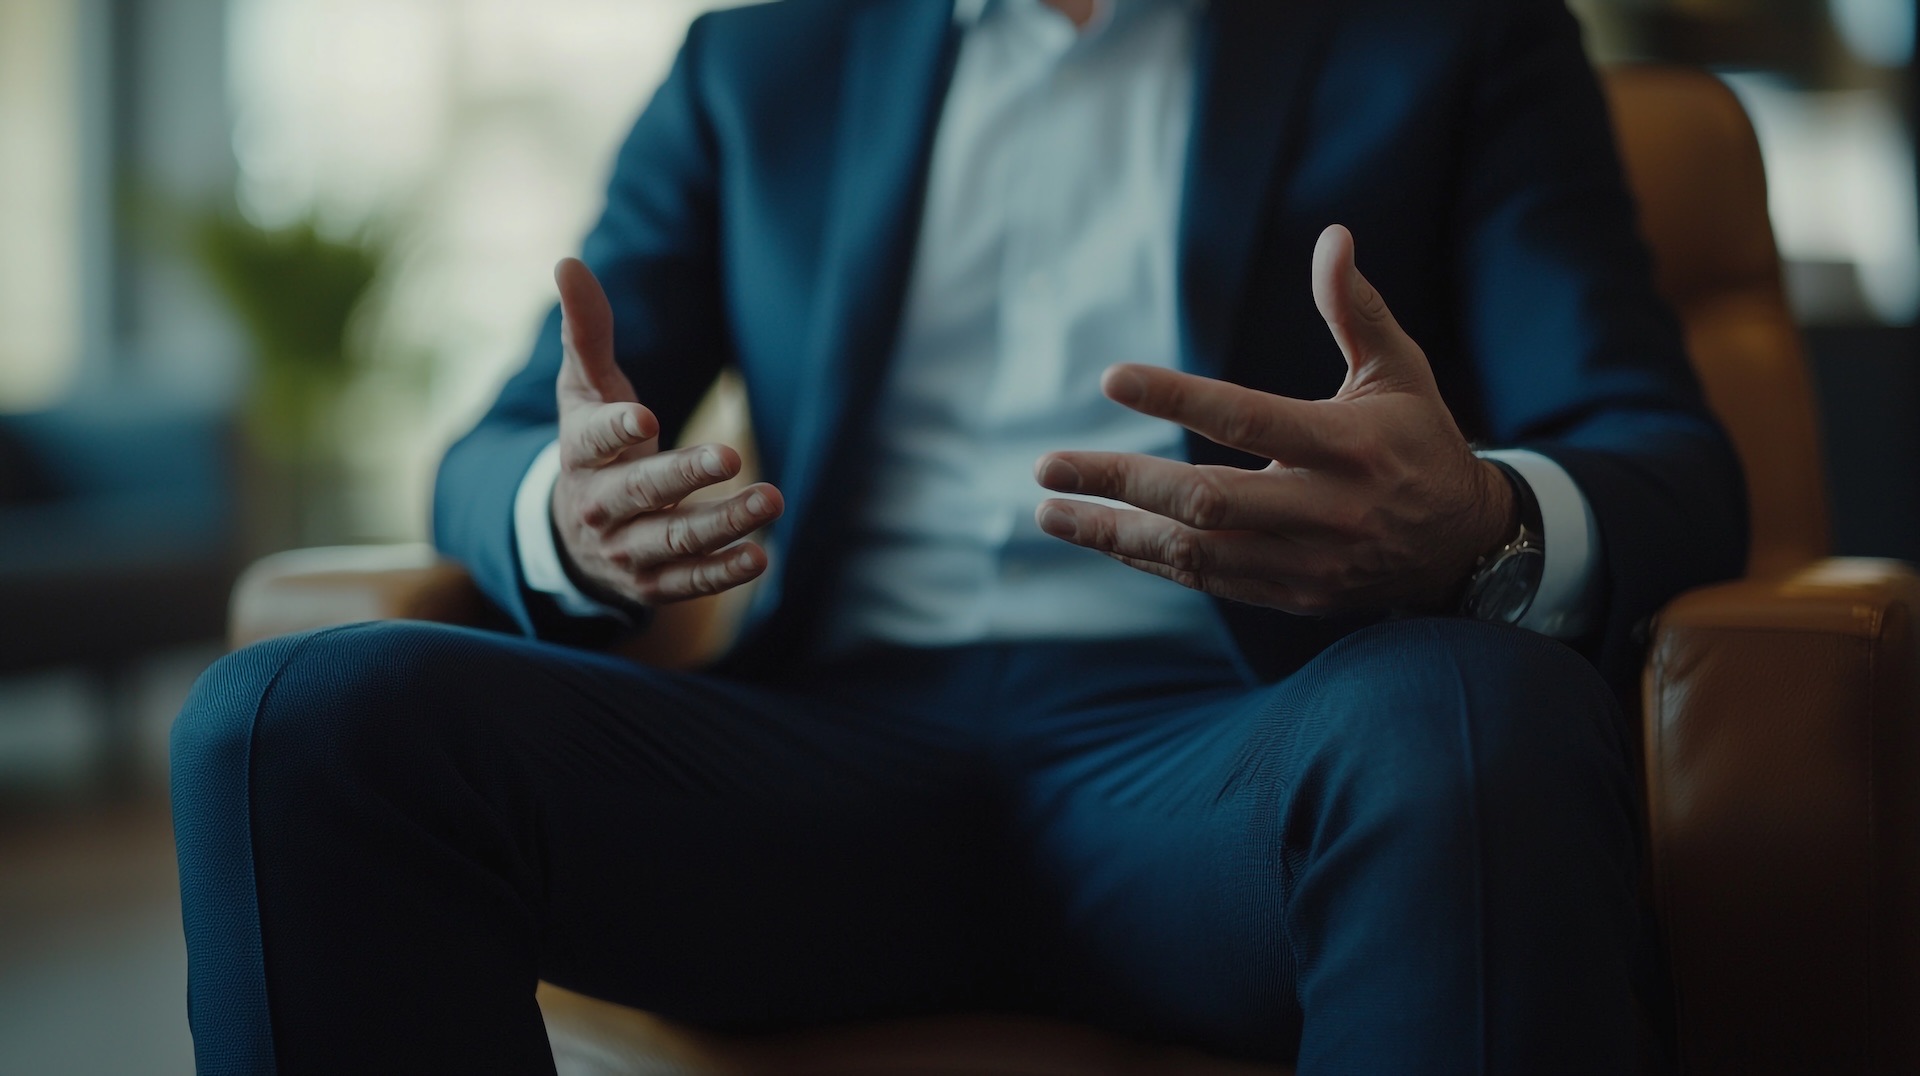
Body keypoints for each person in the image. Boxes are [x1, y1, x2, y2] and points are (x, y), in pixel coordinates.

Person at [171, 0, 1748, 1072]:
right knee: (292, 723)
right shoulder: (760, 61)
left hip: (1240, 767)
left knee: (1466, 719)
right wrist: (565, 516)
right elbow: (505, 442)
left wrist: (1475, 517)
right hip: (812, 774)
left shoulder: (1450, 34)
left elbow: (1664, 459)